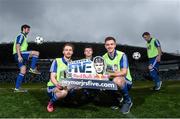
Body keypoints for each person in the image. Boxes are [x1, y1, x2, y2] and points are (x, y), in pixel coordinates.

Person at [103, 36, 133, 114]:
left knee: (117, 80)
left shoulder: (122, 55)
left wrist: (110, 74)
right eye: (107, 44)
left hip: (126, 81)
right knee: (102, 82)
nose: (110, 46)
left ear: (115, 45)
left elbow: (124, 72)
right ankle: (117, 99)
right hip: (112, 80)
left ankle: (128, 101)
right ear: (105, 46)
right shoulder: (103, 57)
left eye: (111, 44)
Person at [47, 43, 74, 112]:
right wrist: (57, 84)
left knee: (78, 88)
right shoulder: (57, 61)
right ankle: (51, 103)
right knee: (64, 92)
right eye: (66, 50)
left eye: (70, 50)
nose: (68, 52)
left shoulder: (73, 63)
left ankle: (66, 100)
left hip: (66, 86)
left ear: (72, 52)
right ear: (63, 52)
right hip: (53, 86)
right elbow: (52, 76)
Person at [13, 24, 41, 92]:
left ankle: (17, 88)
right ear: (24, 29)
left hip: (18, 54)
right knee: (36, 53)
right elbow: (17, 46)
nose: (29, 31)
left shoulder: (24, 37)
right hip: (19, 54)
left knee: (23, 70)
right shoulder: (21, 36)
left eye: (29, 29)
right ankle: (32, 68)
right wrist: (19, 56)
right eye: (28, 29)